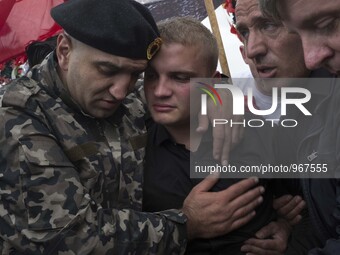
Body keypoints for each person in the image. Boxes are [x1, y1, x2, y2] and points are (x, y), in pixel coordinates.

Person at [0, 0, 262, 254]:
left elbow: (181, 89)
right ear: (64, 51)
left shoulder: (120, 95)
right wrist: (187, 223)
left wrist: (222, 95)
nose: (120, 91)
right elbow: (68, 238)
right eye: (107, 70)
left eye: (136, 74)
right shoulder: (18, 117)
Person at [142, 16, 291, 255]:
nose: (160, 91)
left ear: (212, 82)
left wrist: (288, 229)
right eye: (151, 76)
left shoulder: (260, 133)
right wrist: (186, 223)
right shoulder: (129, 152)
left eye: (180, 78)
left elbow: (305, 209)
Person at [233, 0, 335, 254]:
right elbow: (317, 217)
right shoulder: (292, 113)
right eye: (244, 32)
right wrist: (289, 226)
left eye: (268, 25)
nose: (253, 48)